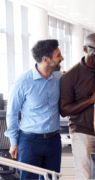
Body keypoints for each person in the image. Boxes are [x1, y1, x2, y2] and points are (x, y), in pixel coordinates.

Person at [5, 39, 64, 180]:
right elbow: (12, 113)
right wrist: (14, 142)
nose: (62, 58)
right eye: (58, 55)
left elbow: (77, 74)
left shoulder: (59, 77)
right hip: (30, 142)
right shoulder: (22, 82)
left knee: (52, 179)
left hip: (54, 140)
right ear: (45, 59)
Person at [59, 33, 95, 179]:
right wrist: (92, 99)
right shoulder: (70, 76)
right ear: (85, 48)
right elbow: (64, 110)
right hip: (83, 132)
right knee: (85, 176)